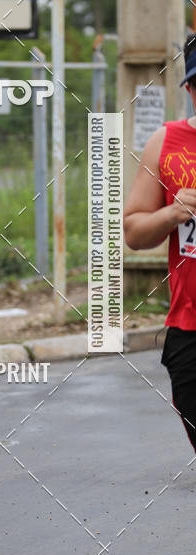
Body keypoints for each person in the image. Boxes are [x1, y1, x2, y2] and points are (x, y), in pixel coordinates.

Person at [124, 35, 196, 451]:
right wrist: (170, 213)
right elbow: (133, 232)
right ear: (188, 88)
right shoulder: (165, 143)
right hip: (189, 328)